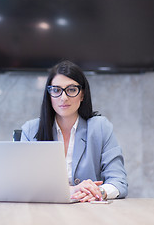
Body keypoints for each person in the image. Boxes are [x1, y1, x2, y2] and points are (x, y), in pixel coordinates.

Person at [20, 60, 128, 202]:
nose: (63, 97)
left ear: (82, 94)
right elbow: (23, 185)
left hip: (89, 210)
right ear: (49, 95)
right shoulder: (30, 129)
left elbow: (119, 182)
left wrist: (98, 192)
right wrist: (72, 190)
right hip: (45, 211)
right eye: (56, 90)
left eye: (71, 89)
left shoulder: (100, 127)